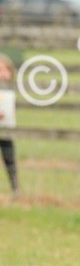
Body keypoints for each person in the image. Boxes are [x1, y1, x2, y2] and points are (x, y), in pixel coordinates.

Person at [0, 53, 19, 193]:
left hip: (7, 129)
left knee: (9, 159)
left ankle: (15, 187)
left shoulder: (12, 89)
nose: (2, 74)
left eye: (4, 70)